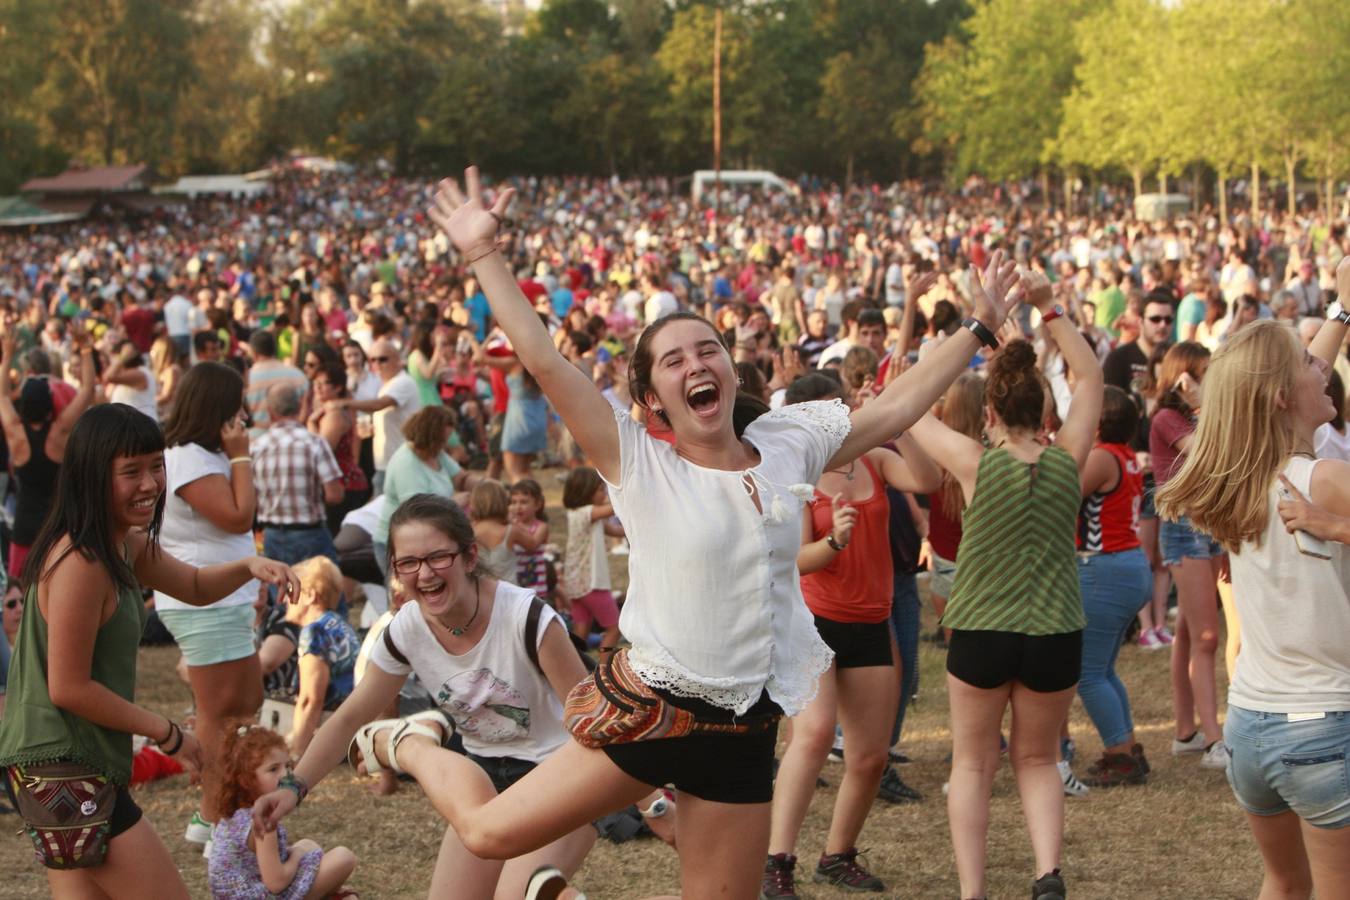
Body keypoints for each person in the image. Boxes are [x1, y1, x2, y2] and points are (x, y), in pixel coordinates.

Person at [259, 169, 1022, 900]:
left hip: (744, 724)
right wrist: (482, 253)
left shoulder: (790, 440)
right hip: (652, 711)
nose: (697, 363)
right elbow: (545, 360)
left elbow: (892, 410)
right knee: (490, 834)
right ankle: (410, 740)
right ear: (654, 397)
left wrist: (978, 330)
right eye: (674, 359)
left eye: (708, 349)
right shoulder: (640, 461)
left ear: (730, 370)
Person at [0, 403, 299, 899]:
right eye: (130, 471)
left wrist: (249, 566)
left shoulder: (123, 544)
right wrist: (167, 733)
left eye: (155, 466)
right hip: (61, 765)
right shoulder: (81, 560)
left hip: (74, 764)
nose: (149, 484)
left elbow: (197, 585)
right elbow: (68, 687)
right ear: (93, 476)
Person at [253, 494, 599, 899]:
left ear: (470, 556)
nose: (425, 573)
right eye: (408, 563)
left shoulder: (527, 617)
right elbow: (350, 717)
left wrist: (650, 805)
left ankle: (409, 744)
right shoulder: (406, 630)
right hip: (483, 783)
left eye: (438, 557)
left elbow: (593, 721)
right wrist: (293, 788)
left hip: (558, 776)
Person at [907, 271, 1102, 900]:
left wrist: (975, 324)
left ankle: (973, 892)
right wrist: (1049, 309)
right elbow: (1091, 377)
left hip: (983, 631)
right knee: (1040, 760)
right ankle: (1047, 873)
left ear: (988, 412)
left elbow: (905, 400)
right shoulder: (1068, 458)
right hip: (1054, 632)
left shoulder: (972, 462)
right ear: (1045, 411)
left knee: (972, 764)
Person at [1157, 301, 1350, 900]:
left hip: (1252, 727)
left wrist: (1343, 308)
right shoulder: (1324, 483)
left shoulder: (1238, 479)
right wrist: (1338, 526)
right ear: (1280, 397)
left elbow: (1290, 376)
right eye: (1306, 363)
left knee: (1284, 883)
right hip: (1322, 726)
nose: (1322, 369)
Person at [763, 372, 941, 897]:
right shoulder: (795, 473)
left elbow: (928, 480)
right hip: (814, 621)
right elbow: (797, 560)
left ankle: (837, 855)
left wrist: (899, 421)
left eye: (837, 409)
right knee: (814, 736)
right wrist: (834, 543)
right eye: (820, 413)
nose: (833, 422)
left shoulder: (875, 459)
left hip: (869, 620)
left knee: (870, 754)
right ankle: (778, 862)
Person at [154, 362, 263, 849]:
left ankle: (216, 815)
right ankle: (214, 819)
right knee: (221, 716)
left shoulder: (200, 455)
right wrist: (241, 457)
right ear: (217, 406)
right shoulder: (190, 458)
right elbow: (239, 518)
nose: (244, 413)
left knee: (245, 707)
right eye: (237, 403)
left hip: (222, 599)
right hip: (204, 602)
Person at [1149, 342, 1228, 769]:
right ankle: (1215, 738)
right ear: (1184, 377)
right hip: (1184, 530)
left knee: (1189, 633)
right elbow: (1207, 453)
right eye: (1203, 373)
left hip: (1208, 526)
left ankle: (1186, 730)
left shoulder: (1197, 414)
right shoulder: (1166, 417)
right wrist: (1200, 406)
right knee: (1207, 637)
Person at [1075, 386, 1152, 787]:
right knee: (1103, 669)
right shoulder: (1123, 455)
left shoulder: (1102, 457)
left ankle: (1120, 754)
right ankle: (1127, 747)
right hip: (1127, 566)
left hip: (1103, 568)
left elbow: (1064, 494)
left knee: (1087, 673)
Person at [207, 721, 357, 899]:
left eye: (287, 766)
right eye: (273, 769)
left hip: (249, 889)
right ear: (245, 780)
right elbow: (276, 883)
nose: (286, 775)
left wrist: (299, 853)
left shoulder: (236, 815)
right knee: (344, 857)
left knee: (308, 844)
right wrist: (297, 856)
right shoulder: (262, 817)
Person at [0, 320, 96, 582]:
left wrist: (7, 354)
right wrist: (86, 349)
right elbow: (88, 390)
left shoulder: (15, 433)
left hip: (24, 526)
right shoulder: (60, 432)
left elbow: (3, 397)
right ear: (50, 405)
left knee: (21, 589)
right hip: (60, 526)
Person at [252, 383, 346, 566]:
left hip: (271, 535)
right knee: (322, 590)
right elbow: (334, 495)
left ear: (271, 412)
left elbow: (251, 499)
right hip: (310, 533)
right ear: (299, 407)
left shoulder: (256, 447)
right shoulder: (314, 443)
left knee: (283, 592)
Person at [373, 405, 466, 573]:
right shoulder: (406, 464)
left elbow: (461, 478)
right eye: (442, 441)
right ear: (430, 437)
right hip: (399, 547)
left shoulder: (435, 453)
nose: (445, 446)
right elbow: (416, 512)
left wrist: (486, 488)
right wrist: (453, 502)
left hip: (424, 542)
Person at [284, 556, 360, 756]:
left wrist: (297, 756)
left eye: (290, 590)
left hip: (339, 731)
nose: (284, 598)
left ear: (309, 595)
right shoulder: (337, 622)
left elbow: (311, 700)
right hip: (353, 724)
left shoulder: (315, 632)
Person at [334, 338, 422, 495]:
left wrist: (344, 403)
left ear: (397, 360)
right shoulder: (387, 384)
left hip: (400, 461)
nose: (377, 364)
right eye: (372, 360)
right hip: (387, 461)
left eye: (383, 359)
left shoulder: (403, 382)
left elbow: (379, 404)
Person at [560, 468, 625, 653]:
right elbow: (613, 508)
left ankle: (576, 669)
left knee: (582, 629)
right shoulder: (586, 513)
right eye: (600, 490)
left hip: (576, 584)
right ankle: (603, 671)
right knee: (614, 628)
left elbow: (615, 531)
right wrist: (625, 490)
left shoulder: (584, 515)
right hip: (591, 584)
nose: (604, 493)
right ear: (586, 492)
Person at [307, 360, 371, 535]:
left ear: (337, 388)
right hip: (344, 482)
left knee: (332, 537)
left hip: (344, 484)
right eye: (315, 383)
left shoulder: (334, 414)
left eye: (324, 383)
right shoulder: (328, 410)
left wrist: (311, 423)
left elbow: (320, 450)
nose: (318, 388)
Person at [469, 479, 538, 585]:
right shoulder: (511, 531)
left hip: (482, 593)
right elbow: (532, 545)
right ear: (503, 502)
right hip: (509, 594)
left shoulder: (470, 532)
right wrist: (514, 522)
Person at [245, 330, 307, 440]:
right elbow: (305, 409)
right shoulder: (298, 375)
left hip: (254, 441)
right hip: (293, 440)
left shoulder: (247, 378)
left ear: (253, 352)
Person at [509, 479, 552, 601]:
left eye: (524, 502)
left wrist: (515, 526)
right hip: (515, 586)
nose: (518, 507)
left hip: (536, 587)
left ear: (537, 505)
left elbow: (532, 544)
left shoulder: (541, 527)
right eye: (513, 502)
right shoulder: (510, 526)